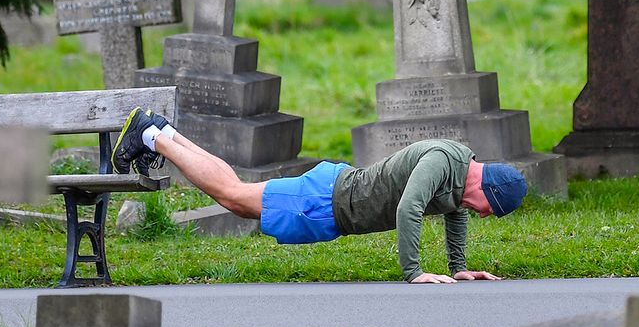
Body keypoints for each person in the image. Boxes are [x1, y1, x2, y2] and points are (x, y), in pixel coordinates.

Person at [111, 107, 528, 284]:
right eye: (491, 210)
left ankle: (161, 132)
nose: (485, 216)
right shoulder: (442, 160)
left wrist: (459, 268)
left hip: (331, 198)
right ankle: (149, 136)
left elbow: (454, 211)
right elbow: (409, 208)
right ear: (486, 188)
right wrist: (414, 272)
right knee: (232, 196)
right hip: (324, 202)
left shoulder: (460, 174)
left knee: (234, 193)